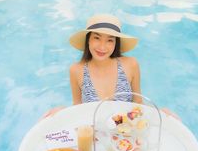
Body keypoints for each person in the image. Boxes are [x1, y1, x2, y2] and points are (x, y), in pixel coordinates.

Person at [43, 14, 179, 120]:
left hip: (125, 135)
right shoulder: (76, 70)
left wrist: (159, 112)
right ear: (88, 39)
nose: (102, 46)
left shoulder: (130, 64)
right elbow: (78, 108)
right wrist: (62, 111)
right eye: (97, 38)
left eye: (110, 40)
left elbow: (138, 103)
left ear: (116, 43)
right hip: (94, 134)